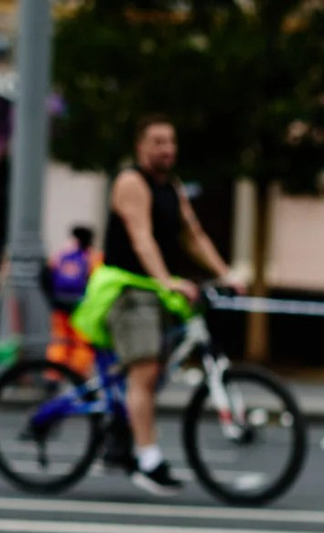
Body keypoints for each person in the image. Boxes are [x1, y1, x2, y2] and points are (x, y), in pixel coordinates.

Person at [98, 114, 239, 495]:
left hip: (154, 288)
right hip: (128, 288)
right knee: (144, 372)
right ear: (140, 146)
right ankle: (147, 461)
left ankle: (122, 429)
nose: (167, 149)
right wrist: (167, 282)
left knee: (152, 370)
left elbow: (193, 235)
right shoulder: (132, 182)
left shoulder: (171, 187)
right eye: (158, 141)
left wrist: (226, 273)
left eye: (171, 141)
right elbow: (142, 238)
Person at [42, 219, 93, 375]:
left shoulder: (61, 254)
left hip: (60, 304)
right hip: (81, 307)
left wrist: (51, 299)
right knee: (81, 342)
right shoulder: (92, 257)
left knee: (59, 340)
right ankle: (77, 374)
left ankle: (53, 375)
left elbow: (45, 275)